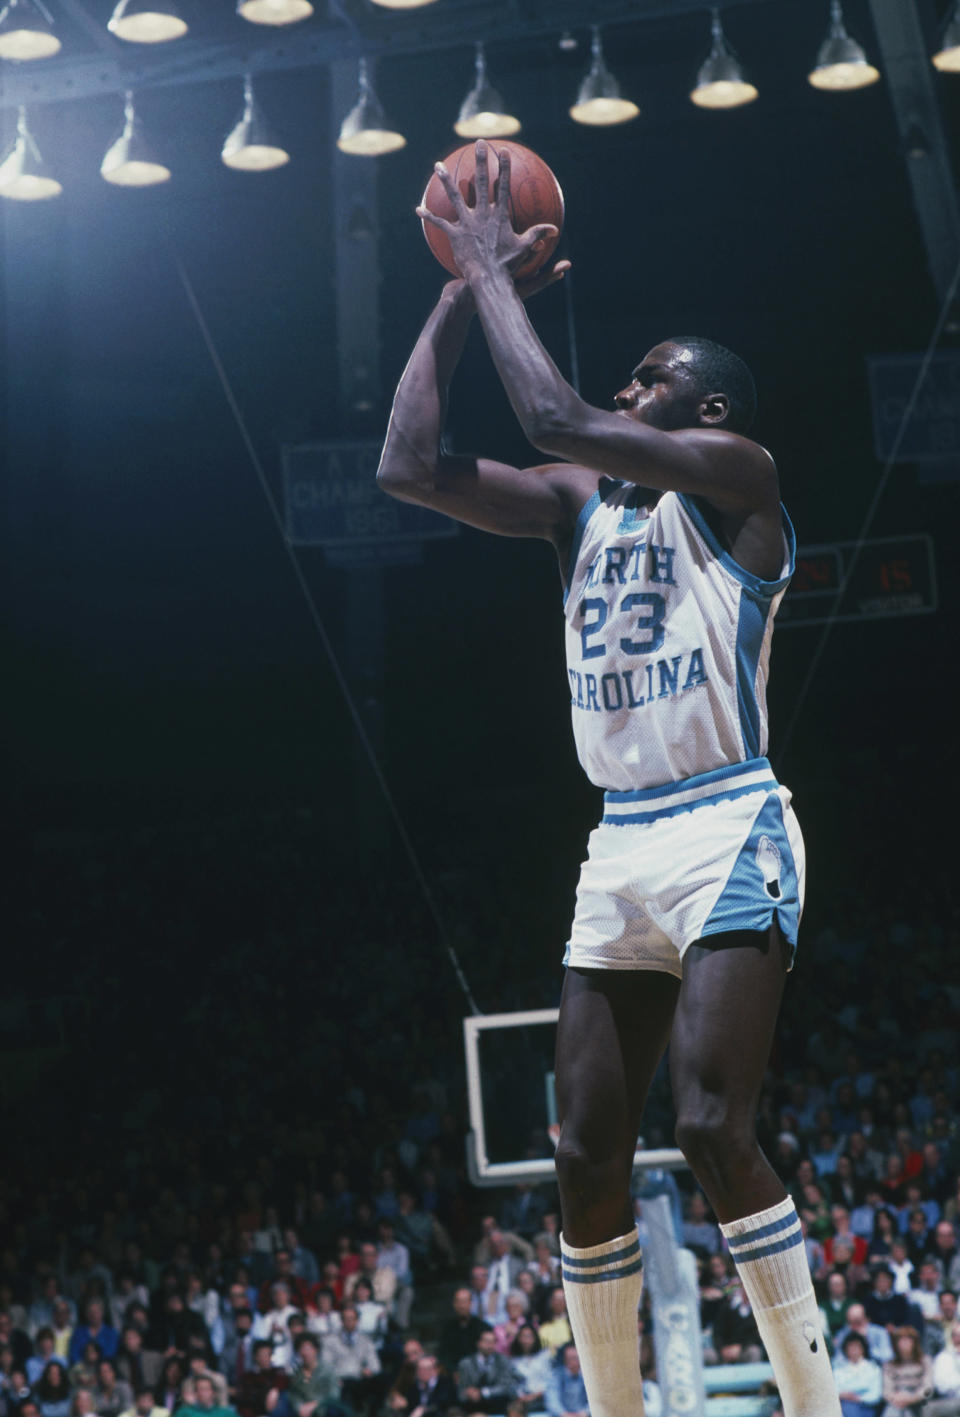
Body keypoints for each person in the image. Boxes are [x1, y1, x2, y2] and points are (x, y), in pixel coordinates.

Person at [382, 137, 833, 1417]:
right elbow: (408, 466)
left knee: (706, 1125)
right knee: (581, 1150)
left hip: (727, 820)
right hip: (620, 838)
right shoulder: (583, 507)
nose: (631, 386)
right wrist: (461, 293)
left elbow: (555, 416)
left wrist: (493, 271)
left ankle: (817, 1403)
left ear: (709, 414)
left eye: (658, 378)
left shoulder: (742, 486)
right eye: (632, 371)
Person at [879, 1327, 930, 1417]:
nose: (904, 1343)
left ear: (915, 1343)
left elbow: (928, 1388)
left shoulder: (925, 1361)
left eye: (908, 1340)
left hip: (919, 1401)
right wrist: (896, 1398)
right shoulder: (889, 1364)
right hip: (897, 1400)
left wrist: (912, 1398)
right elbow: (886, 1390)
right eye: (901, 1340)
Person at [831, 1332, 882, 1417]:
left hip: (866, 1406)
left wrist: (859, 1398)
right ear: (845, 1350)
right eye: (850, 1347)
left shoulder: (873, 1368)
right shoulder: (838, 1370)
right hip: (844, 1404)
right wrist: (844, 1395)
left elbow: (876, 1394)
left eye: (857, 1346)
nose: (854, 1350)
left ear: (863, 1349)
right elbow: (835, 1390)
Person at [545, 1345, 588, 1417]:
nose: (576, 1361)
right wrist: (564, 1414)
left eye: (578, 1358)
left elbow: (596, 1400)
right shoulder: (556, 1376)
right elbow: (552, 1400)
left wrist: (585, 1413)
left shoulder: (587, 1376)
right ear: (565, 1360)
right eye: (572, 1358)